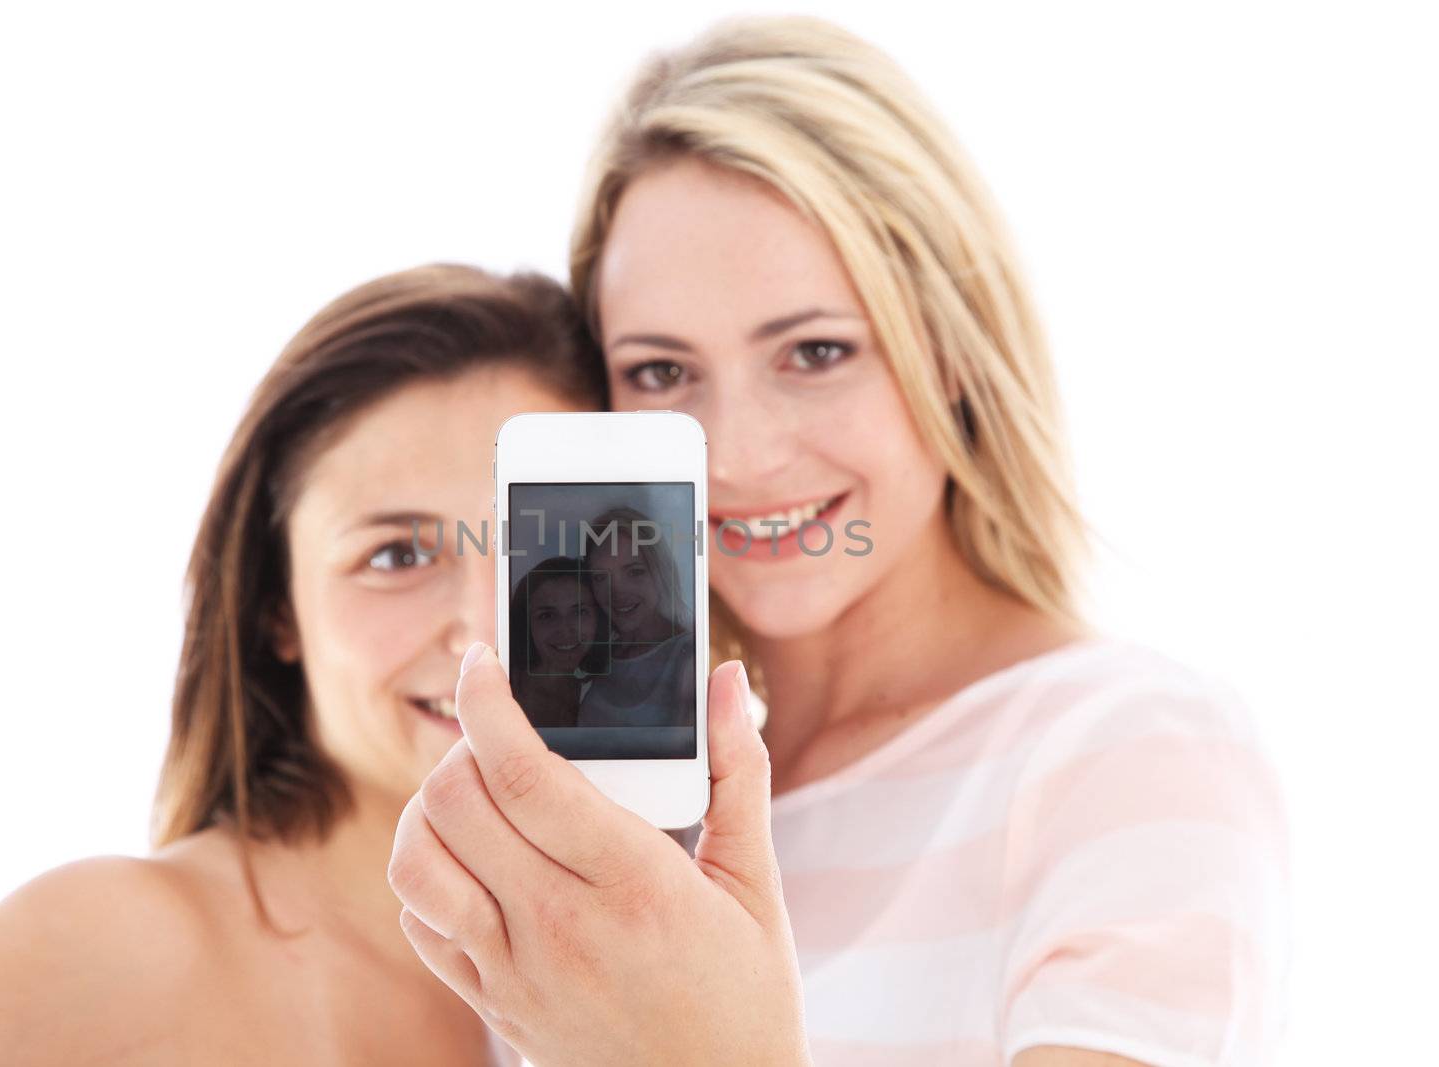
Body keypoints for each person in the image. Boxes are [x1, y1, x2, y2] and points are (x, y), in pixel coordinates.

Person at [386, 16, 1287, 1067]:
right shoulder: (625, 784)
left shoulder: (1130, 752)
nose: (738, 456)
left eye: (814, 350)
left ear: (949, 349)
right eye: (662, 372)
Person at [0, 264, 606, 1066]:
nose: (484, 632)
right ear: (277, 606)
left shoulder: (624, 967)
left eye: (545, 544)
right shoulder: (105, 949)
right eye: (398, 553)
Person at [577, 506, 695, 728]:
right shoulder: (595, 655)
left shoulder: (690, 655)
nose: (617, 592)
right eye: (601, 577)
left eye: (634, 572)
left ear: (660, 571)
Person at [508, 555, 610, 728]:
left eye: (579, 612)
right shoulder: (506, 690)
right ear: (526, 624)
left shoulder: (604, 690)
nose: (565, 630)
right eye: (547, 615)